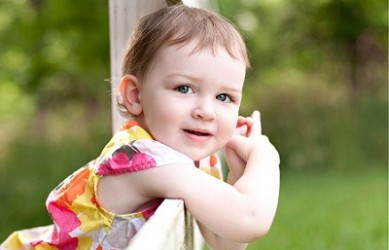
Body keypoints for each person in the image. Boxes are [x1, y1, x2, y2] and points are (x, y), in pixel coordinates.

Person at [1, 4, 280, 250]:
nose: (206, 111)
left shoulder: (190, 158)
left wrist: (240, 169)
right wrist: (266, 157)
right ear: (135, 95)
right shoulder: (145, 159)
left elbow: (225, 242)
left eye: (224, 97)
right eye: (184, 88)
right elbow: (249, 220)